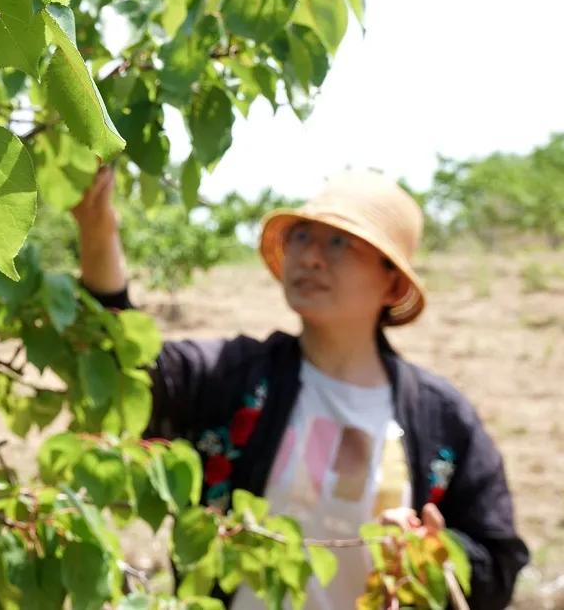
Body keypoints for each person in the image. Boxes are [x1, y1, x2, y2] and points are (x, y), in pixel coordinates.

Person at [71, 168, 529, 609]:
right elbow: (121, 373)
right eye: (302, 236)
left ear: (392, 282)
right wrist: (98, 229)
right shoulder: (236, 377)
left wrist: (435, 553)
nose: (311, 256)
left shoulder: (442, 419)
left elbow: (499, 563)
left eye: (340, 243)